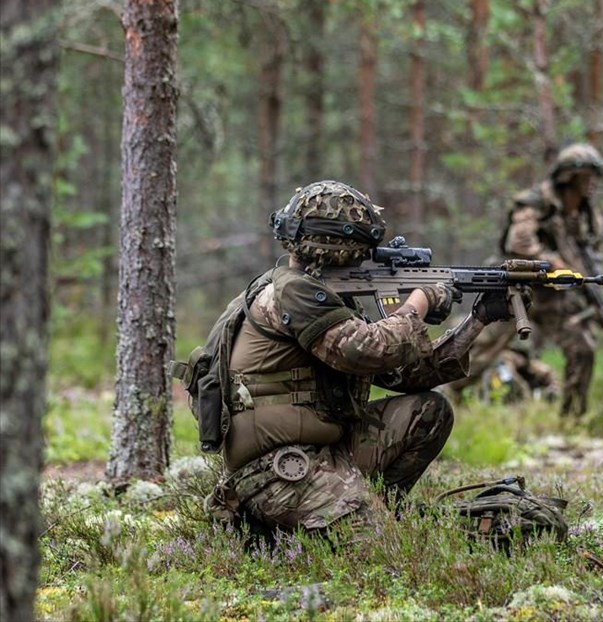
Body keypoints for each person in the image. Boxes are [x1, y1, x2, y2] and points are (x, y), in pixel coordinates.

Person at [205, 180, 515, 536]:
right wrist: (420, 302)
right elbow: (365, 350)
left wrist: (480, 320)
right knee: (383, 548)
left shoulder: (322, 295)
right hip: (276, 471)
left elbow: (404, 375)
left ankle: (374, 509)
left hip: (325, 451)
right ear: (340, 246)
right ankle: (304, 529)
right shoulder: (292, 294)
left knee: (428, 412)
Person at [455, 143, 603, 417]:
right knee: (480, 348)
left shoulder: (588, 218)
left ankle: (572, 419)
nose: (592, 183)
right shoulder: (537, 202)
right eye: (586, 177)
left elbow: (590, 259)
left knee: (583, 347)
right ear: (568, 178)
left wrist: (596, 300)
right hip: (518, 291)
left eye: (594, 177)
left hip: (555, 297)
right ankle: (448, 395)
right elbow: (519, 241)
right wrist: (551, 261)